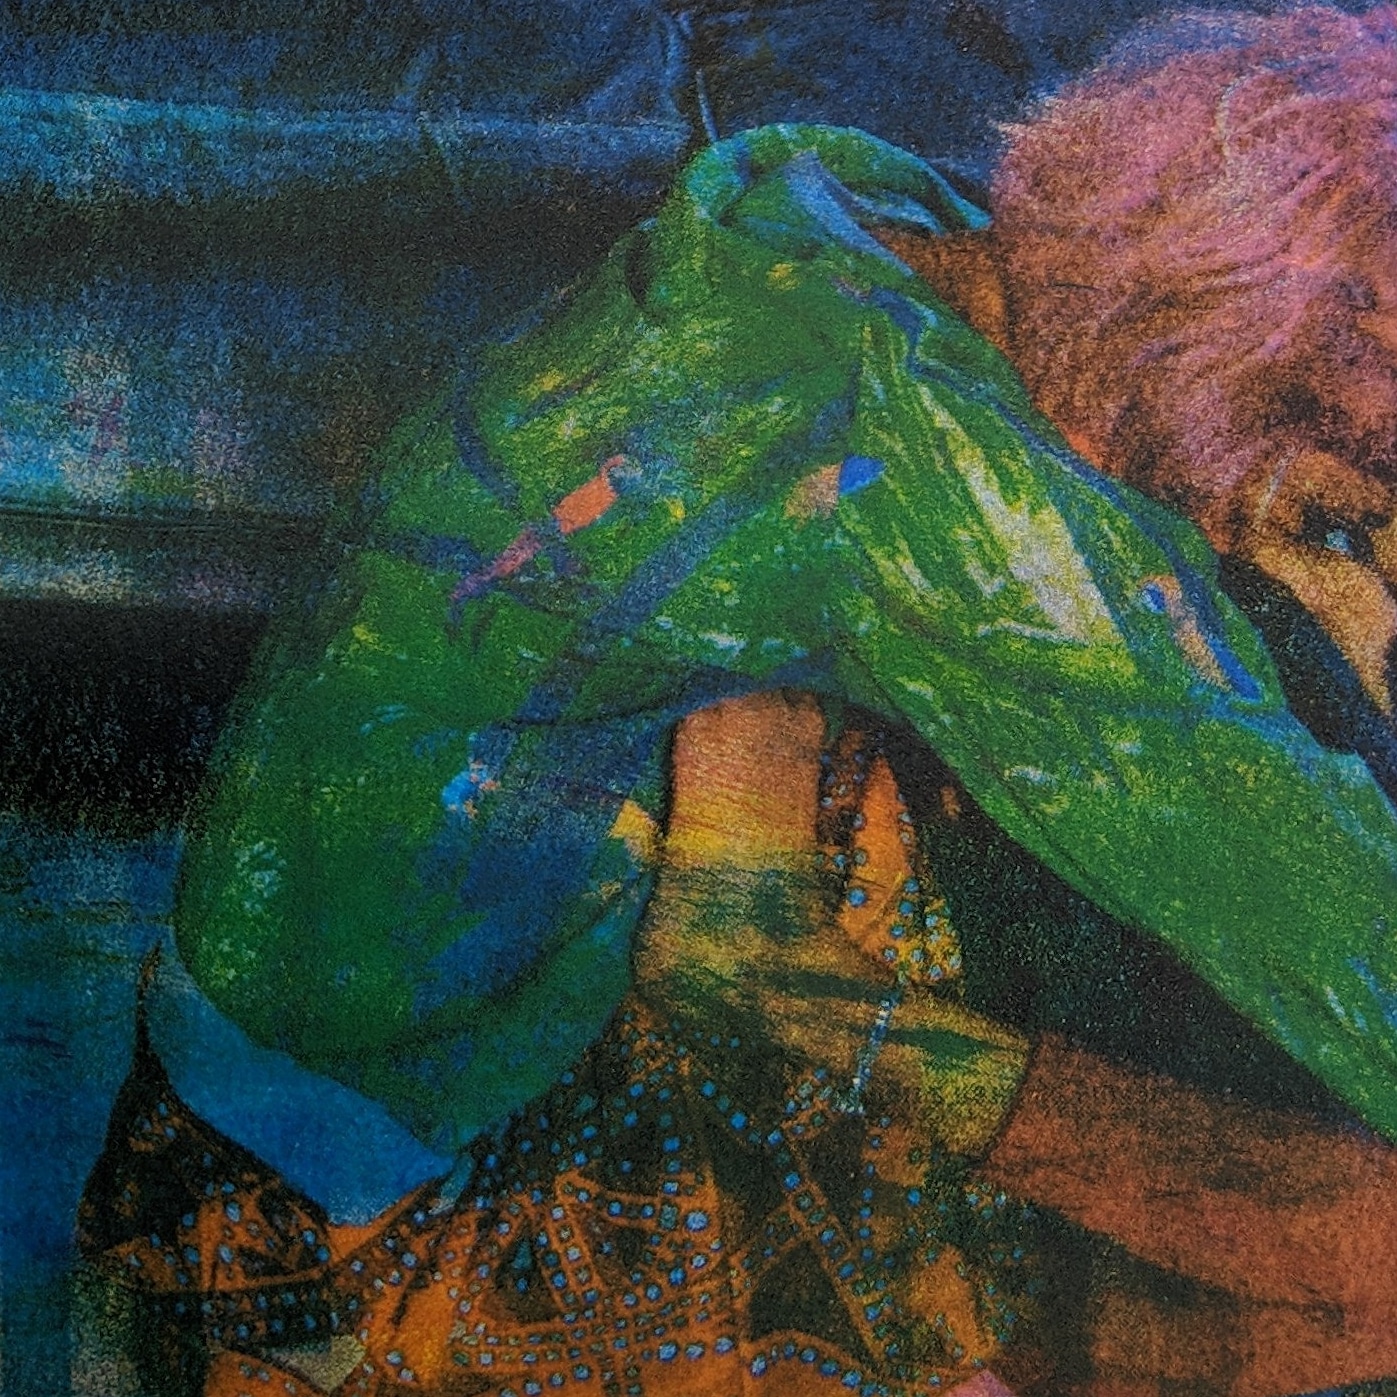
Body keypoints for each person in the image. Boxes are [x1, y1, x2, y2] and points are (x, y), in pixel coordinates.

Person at [78, 38, 1397, 1397]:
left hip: (280, 1029)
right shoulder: (933, 486)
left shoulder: (841, 229)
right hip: (372, 1153)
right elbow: (1324, 915)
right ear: (1213, 360)